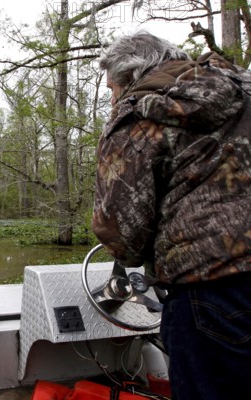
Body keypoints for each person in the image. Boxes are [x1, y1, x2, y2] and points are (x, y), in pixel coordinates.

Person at [92, 31, 251, 399]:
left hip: (211, 292)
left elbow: (119, 231)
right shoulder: (243, 92)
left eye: (112, 89)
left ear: (131, 78)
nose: (114, 98)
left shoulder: (141, 112)